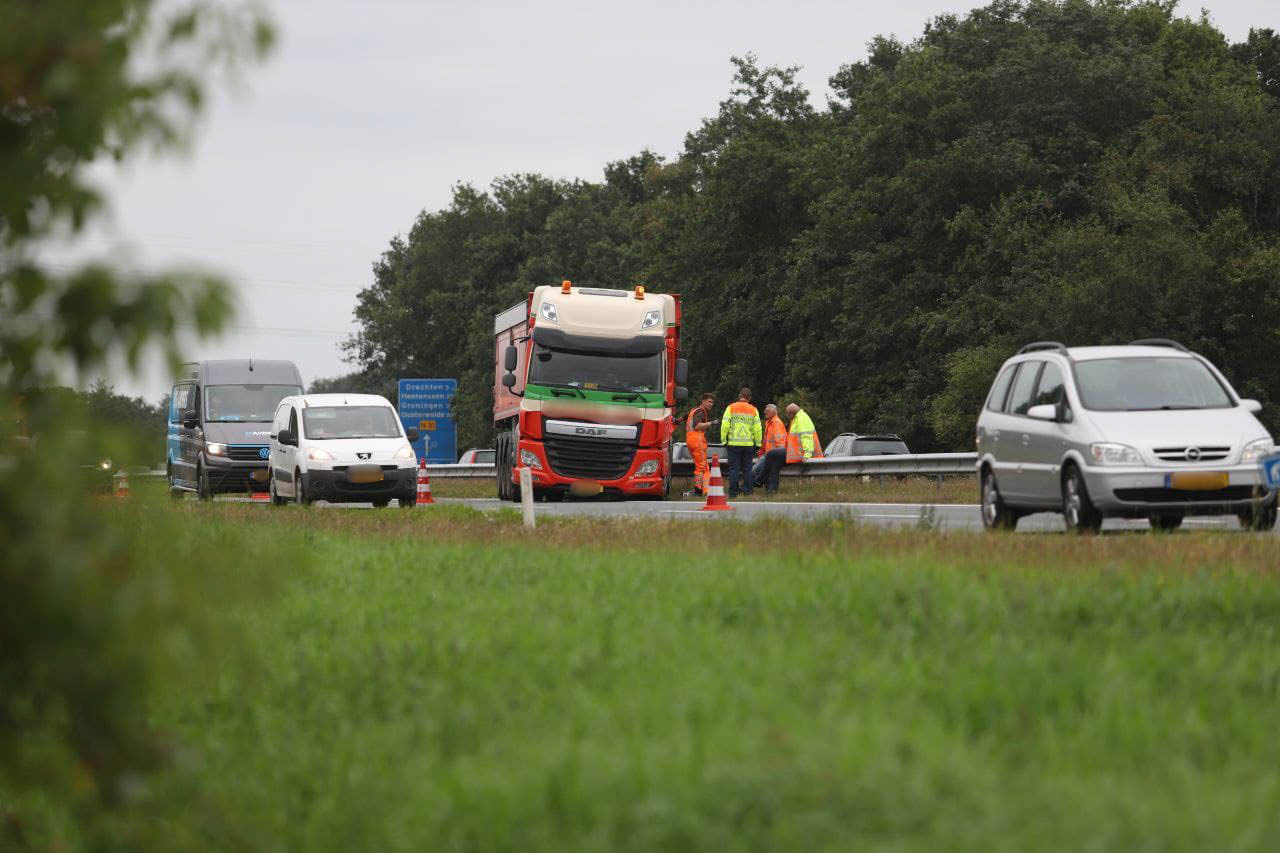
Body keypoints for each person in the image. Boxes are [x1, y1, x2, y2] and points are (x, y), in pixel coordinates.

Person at [720, 387, 761, 497]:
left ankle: (733, 493)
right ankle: (748, 492)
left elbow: (725, 425)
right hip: (748, 445)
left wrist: (724, 440)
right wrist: (758, 443)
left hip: (734, 444)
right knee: (747, 469)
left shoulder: (731, 408)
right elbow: (757, 428)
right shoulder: (753, 409)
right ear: (749, 398)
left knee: (734, 469)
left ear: (739, 396)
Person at [683, 392, 717, 497]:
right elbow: (697, 426)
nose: (711, 404)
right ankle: (700, 491)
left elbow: (684, 417)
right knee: (702, 467)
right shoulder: (700, 412)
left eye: (712, 403)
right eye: (709, 401)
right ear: (703, 401)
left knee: (702, 466)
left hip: (690, 440)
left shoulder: (694, 410)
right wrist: (712, 423)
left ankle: (703, 490)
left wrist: (676, 420)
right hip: (697, 441)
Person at [752, 403, 789, 493]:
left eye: (767, 411)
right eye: (765, 410)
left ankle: (758, 484)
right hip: (768, 454)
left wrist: (777, 456)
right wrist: (762, 450)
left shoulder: (776, 423)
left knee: (754, 470)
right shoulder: (769, 422)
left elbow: (780, 442)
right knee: (763, 471)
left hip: (773, 455)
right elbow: (766, 440)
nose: (765, 412)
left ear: (774, 412)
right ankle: (768, 490)